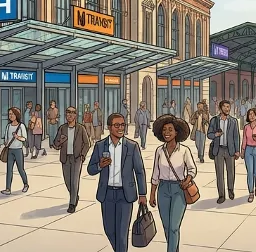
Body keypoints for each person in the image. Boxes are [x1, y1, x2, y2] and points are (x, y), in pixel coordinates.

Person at [87, 113, 147, 252]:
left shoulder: (132, 146)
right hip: (106, 194)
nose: (121, 128)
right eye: (117, 125)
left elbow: (139, 171)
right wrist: (100, 166)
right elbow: (90, 169)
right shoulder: (100, 146)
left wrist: (142, 194)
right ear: (109, 127)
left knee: (122, 234)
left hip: (125, 195)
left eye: (122, 125)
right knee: (109, 231)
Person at [149, 115, 197, 252]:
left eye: (170, 129)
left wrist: (186, 180)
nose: (167, 132)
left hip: (178, 189)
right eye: (164, 130)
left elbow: (192, 169)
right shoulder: (159, 151)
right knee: (166, 226)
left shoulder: (184, 150)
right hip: (163, 189)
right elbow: (155, 174)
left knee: (174, 227)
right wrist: (152, 194)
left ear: (177, 132)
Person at [52, 106, 91, 212]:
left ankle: (72, 203)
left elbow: (87, 143)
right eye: (68, 112)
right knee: (67, 181)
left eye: (72, 113)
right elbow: (55, 144)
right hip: (65, 158)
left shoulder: (80, 128)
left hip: (76, 158)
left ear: (75, 115)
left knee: (74, 181)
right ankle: (75, 196)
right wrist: (60, 141)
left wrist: (82, 155)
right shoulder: (62, 128)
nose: (70, 114)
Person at [207, 99, 240, 203]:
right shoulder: (214, 120)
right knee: (219, 174)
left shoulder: (233, 121)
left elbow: (236, 137)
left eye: (228, 107)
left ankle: (231, 190)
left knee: (231, 172)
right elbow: (209, 134)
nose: (227, 109)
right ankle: (221, 195)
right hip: (218, 150)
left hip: (230, 150)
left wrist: (237, 150)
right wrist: (215, 135)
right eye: (225, 107)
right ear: (220, 108)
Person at [1, 107, 30, 195]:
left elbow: (24, 138)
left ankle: (26, 184)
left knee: (20, 169)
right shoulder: (8, 126)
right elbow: (6, 138)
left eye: (12, 114)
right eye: (9, 114)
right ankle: (8, 188)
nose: (11, 116)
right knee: (9, 169)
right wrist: (6, 143)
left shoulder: (21, 126)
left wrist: (18, 137)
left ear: (16, 115)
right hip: (10, 150)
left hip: (18, 150)